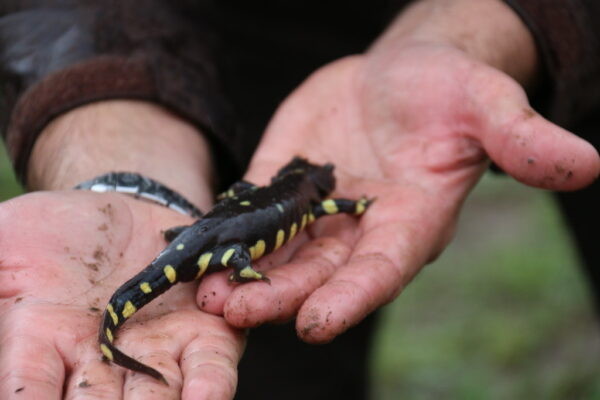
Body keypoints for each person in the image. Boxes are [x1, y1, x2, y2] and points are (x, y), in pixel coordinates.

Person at [0, 0, 598, 399]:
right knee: (273, 363)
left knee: (221, 265)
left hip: (202, 236)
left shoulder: (300, 196)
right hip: (238, 40)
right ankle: (130, 328)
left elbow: (250, 199)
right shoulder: (316, 200)